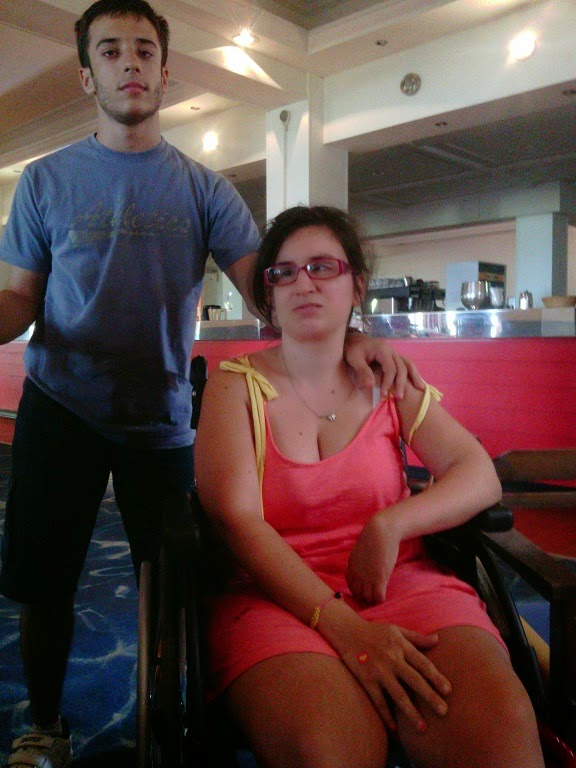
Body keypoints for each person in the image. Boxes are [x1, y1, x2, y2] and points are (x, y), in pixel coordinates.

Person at [0, 3, 421, 766]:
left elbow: (270, 288)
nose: (129, 62)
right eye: (109, 51)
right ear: (87, 75)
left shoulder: (203, 189)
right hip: (60, 406)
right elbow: (20, 300)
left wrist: (346, 329)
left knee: (179, 580)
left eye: (143, 50)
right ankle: (47, 725)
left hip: (160, 419)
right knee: (44, 582)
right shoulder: (45, 181)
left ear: (165, 73)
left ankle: (176, 719)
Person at [194, 205, 545, 768]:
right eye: (283, 272)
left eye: (321, 267)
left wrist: (391, 523)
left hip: (400, 583)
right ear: (269, 295)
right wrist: (349, 631)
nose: (302, 282)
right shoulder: (235, 387)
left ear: (356, 285)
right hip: (276, 599)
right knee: (334, 747)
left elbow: (478, 473)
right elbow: (239, 524)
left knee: (500, 729)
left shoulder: (387, 379)